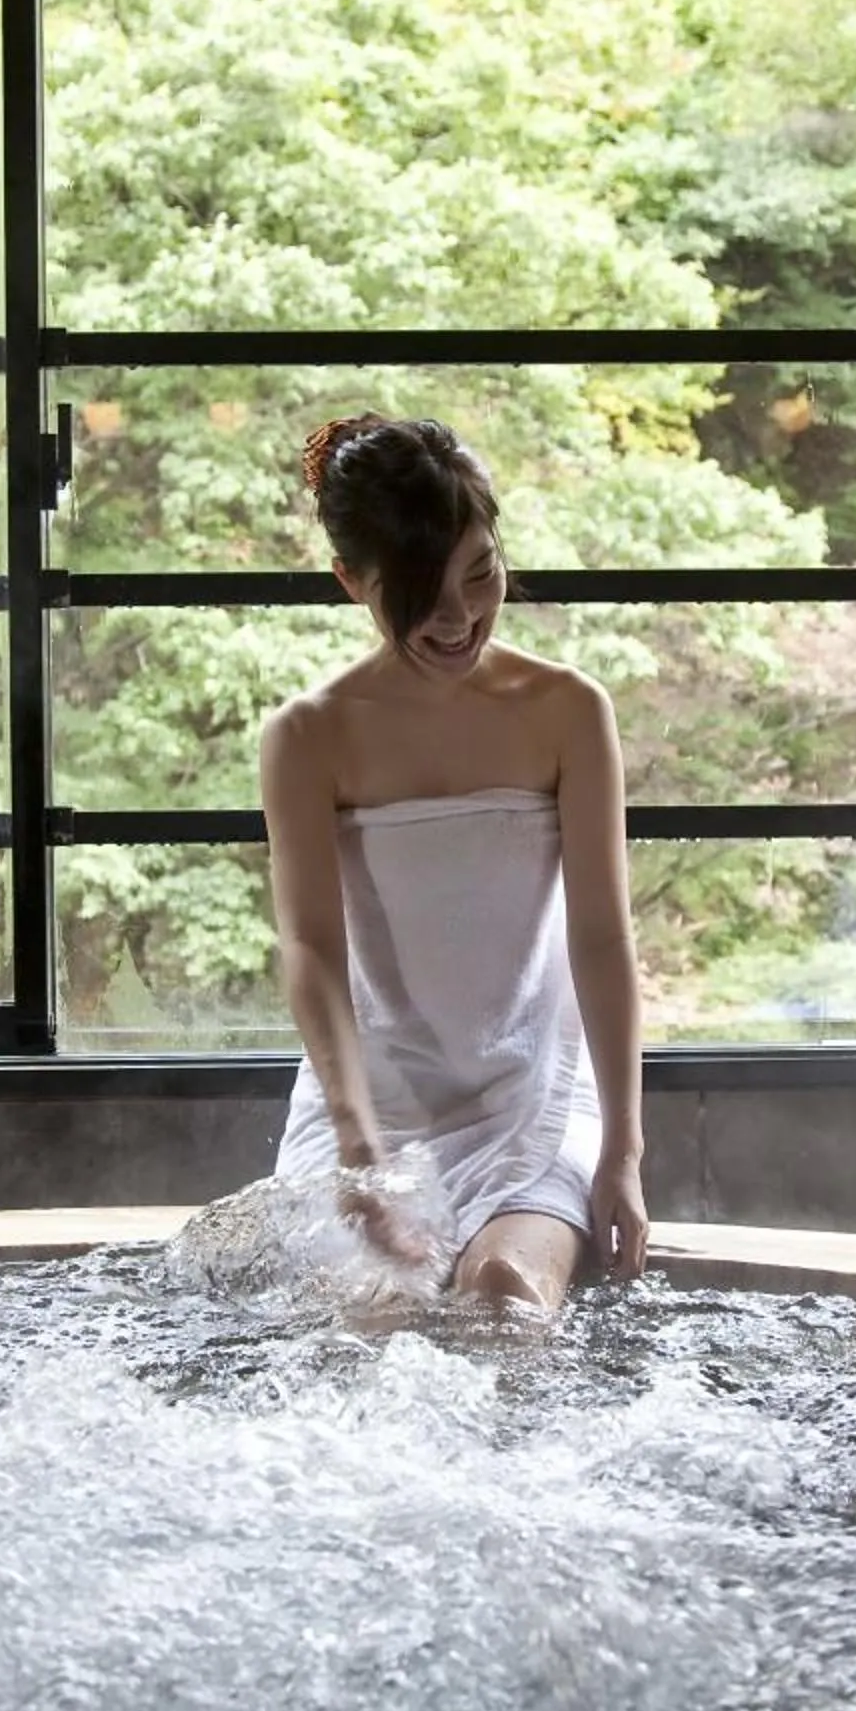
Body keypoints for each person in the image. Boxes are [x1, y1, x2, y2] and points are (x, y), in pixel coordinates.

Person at [261, 412, 650, 1310]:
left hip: (532, 1093)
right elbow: (312, 951)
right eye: (420, 594)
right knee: (373, 1320)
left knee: (508, 1296)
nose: (459, 617)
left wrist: (626, 1150)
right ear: (350, 581)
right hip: (367, 1105)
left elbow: (600, 937)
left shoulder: (567, 710)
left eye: (480, 576)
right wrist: (360, 1154)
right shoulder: (308, 736)